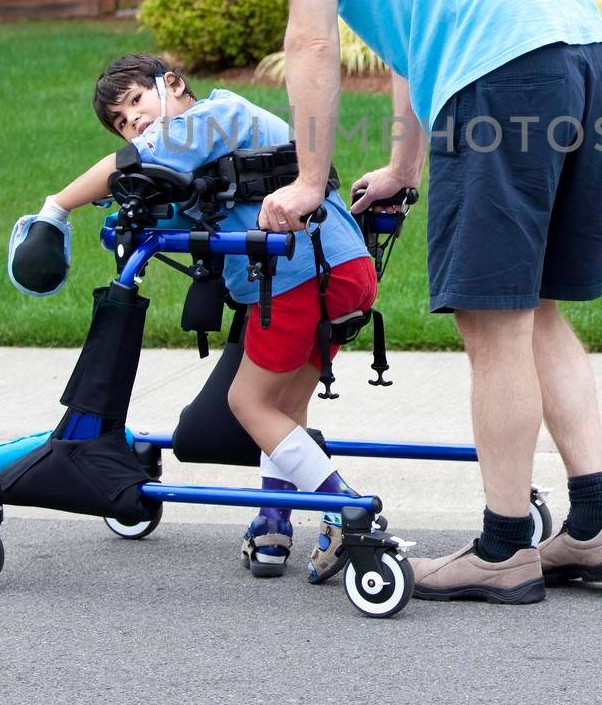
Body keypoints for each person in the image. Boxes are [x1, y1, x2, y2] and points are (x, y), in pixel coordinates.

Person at [218, 0, 602, 605]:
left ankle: (504, 547)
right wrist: (408, 165)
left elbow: (308, 44)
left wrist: (310, 180)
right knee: (541, 307)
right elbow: (421, 31)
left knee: (494, 324)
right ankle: (592, 524)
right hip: (580, 59)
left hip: (501, 75)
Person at [19, 51, 376, 581]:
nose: (133, 121)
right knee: (283, 409)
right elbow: (160, 192)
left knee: (247, 402)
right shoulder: (202, 151)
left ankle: (346, 509)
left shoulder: (211, 118)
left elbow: (132, 163)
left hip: (296, 275)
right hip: (341, 268)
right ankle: (274, 527)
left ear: (173, 84)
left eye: (136, 101)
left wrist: (57, 207)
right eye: (120, 121)